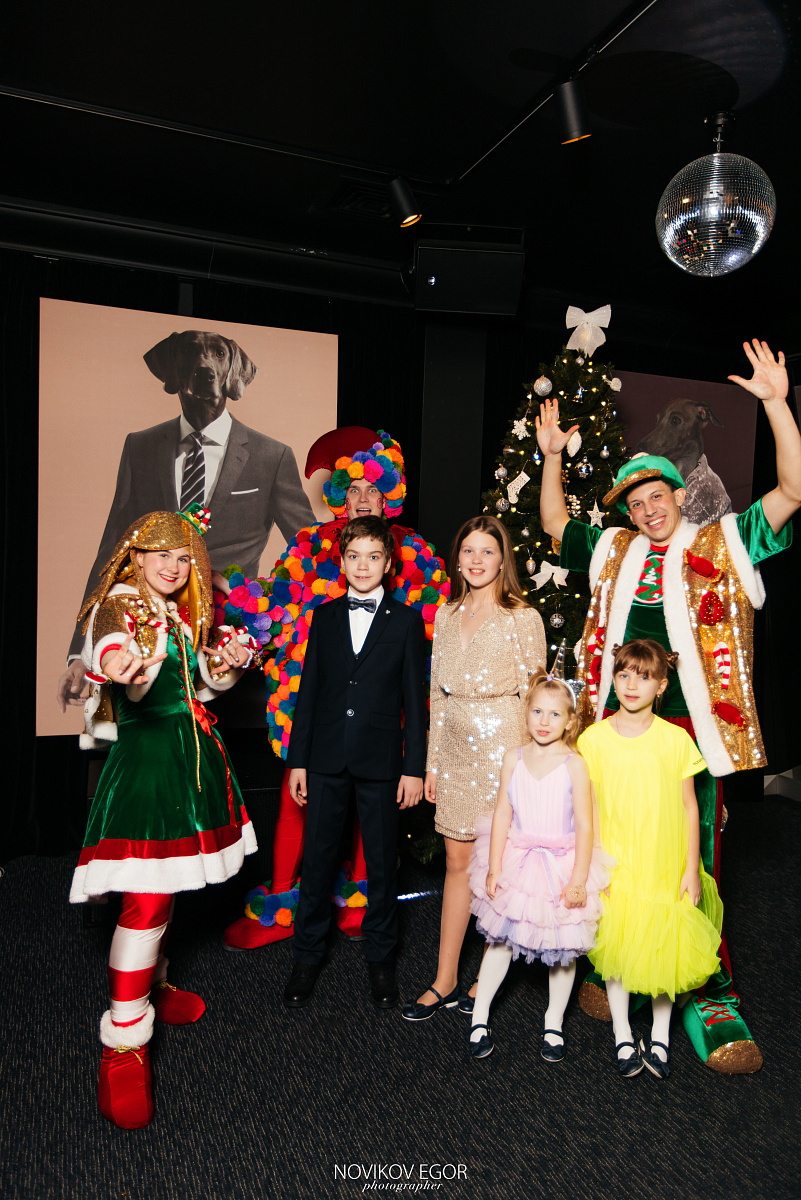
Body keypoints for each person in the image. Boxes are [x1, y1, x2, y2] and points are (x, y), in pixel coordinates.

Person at [536, 338, 801, 1072]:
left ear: (679, 495)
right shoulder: (614, 551)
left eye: (658, 496)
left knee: (695, 860)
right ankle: (617, 959)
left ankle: (709, 992)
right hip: (616, 731)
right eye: (636, 502)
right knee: (615, 851)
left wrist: (778, 406)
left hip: (692, 736)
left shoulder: (724, 542)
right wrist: (552, 457)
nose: (648, 509)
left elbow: (792, 491)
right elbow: (555, 523)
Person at [222, 427, 449, 949]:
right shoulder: (307, 545)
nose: (364, 498)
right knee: (298, 797)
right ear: (339, 495)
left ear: (388, 495)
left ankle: (360, 899)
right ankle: (282, 901)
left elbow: (435, 627)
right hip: (309, 700)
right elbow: (274, 609)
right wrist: (242, 624)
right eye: (354, 489)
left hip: (381, 706)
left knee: (375, 802)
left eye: (374, 489)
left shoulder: (413, 551)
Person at [70, 505, 259, 1129]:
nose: (174, 567)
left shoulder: (176, 612)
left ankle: (153, 983)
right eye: (163, 556)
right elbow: (114, 647)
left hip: (188, 762)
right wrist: (114, 662)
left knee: (169, 887)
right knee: (145, 902)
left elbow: (194, 687)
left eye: (183, 558)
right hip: (148, 770)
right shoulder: (123, 604)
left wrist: (225, 665)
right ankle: (123, 1046)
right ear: (138, 555)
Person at [57, 328, 314, 710]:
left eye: (218, 355)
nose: (205, 365)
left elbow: (309, 551)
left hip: (230, 651)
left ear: (233, 373)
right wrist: (81, 651)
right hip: (148, 652)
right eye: (192, 353)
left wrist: (269, 621)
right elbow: (112, 548)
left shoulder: (270, 456)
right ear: (172, 369)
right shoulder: (141, 447)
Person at [402, 516, 546, 1021]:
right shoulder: (445, 614)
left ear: (503, 560)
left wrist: (530, 767)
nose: (478, 560)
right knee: (457, 865)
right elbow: (438, 694)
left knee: (497, 867)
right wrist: (433, 764)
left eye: (488, 551)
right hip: (456, 753)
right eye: (469, 551)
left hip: (505, 750)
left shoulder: (522, 617)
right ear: (458, 558)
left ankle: (486, 976)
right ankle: (444, 978)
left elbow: (535, 695)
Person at [281, 516, 427, 1010]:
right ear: (342, 562)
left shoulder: (406, 621)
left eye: (373, 557)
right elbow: (309, 692)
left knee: (383, 866)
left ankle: (382, 960)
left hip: (382, 761)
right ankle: (306, 957)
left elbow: (414, 701)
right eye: (354, 556)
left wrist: (413, 767)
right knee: (318, 861)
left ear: (388, 564)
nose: (363, 566)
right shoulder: (323, 617)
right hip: (325, 758)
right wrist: (299, 761)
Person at [578, 640, 723, 1078]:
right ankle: (622, 1031)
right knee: (618, 944)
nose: (631, 685)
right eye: (623, 675)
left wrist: (691, 869)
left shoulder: (675, 739)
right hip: (617, 861)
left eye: (643, 677)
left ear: (661, 686)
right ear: (613, 679)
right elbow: (590, 809)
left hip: (664, 861)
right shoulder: (593, 740)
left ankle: (660, 1035)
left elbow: (690, 808)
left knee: (664, 946)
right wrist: (595, 866)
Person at [466, 669, 614, 1061]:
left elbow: (585, 825)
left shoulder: (574, 764)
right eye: (537, 712)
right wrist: (494, 866)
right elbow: (503, 813)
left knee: (563, 947)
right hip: (518, 860)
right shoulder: (512, 758)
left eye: (554, 714)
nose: (544, 721)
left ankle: (553, 1021)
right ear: (527, 713)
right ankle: (479, 1016)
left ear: (570, 721)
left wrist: (579, 878)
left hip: (562, 865)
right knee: (498, 940)